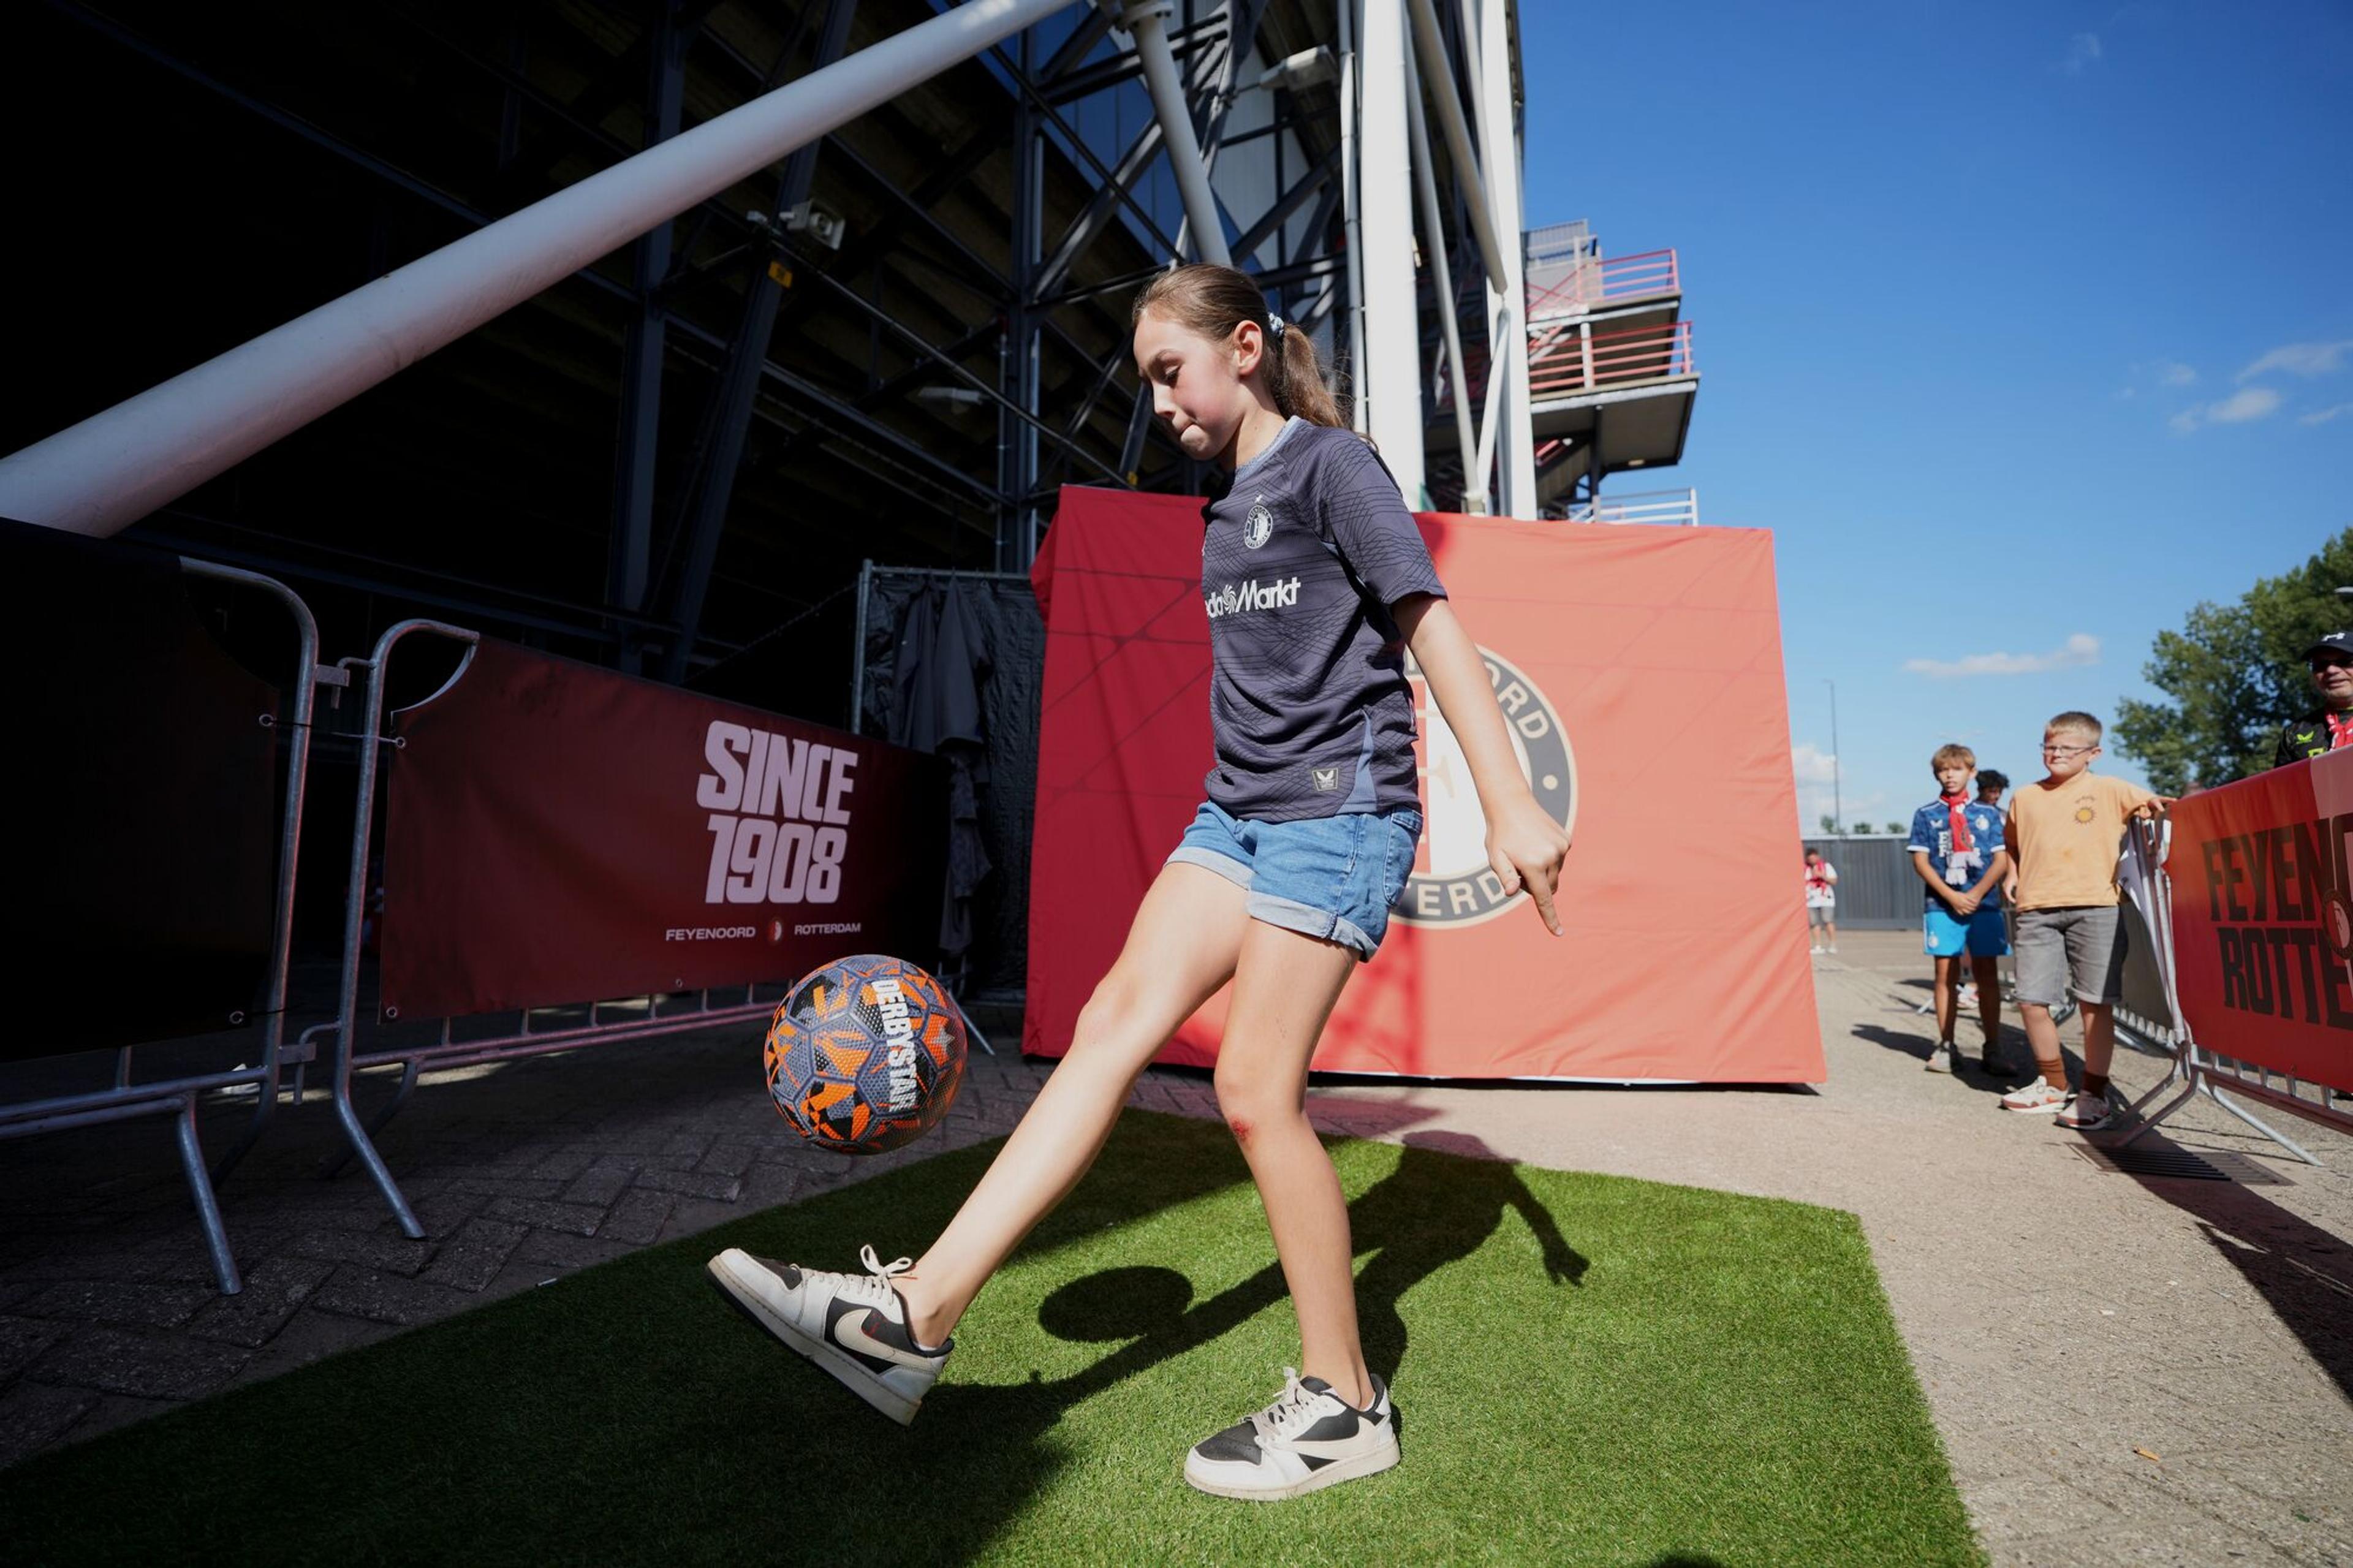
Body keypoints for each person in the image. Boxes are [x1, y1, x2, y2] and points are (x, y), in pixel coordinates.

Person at [707, 263, 1570, 1502]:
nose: (1161, 401)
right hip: (1239, 816)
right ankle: (914, 1316)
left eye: (1173, 371)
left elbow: (1430, 620)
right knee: (1111, 1026)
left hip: (1342, 813)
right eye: (1149, 381)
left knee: (1253, 1090)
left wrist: (1513, 798)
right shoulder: (1222, 511)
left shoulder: (1337, 468)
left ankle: (1347, 1403)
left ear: (1249, 348)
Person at [1997, 712, 2170, 1129]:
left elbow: (2158, 807)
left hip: (2097, 906)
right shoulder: (2025, 795)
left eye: (2065, 748)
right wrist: (2013, 875)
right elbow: (2014, 845)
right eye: (2048, 746)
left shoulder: (2110, 788)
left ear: (2093, 753)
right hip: (2037, 908)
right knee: (2031, 1000)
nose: (2054, 754)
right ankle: (2053, 1083)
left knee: (2096, 1003)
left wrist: (2157, 812)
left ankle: (2094, 1093)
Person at [1905, 744, 2012, 1075]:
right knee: (1944, 974)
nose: (1949, 775)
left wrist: (1977, 894)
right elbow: (1920, 861)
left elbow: (2000, 859)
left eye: (1957, 769)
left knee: (1987, 975)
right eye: (1943, 770)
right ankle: (1946, 1044)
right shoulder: (1926, 814)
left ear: (1971, 772)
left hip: (1984, 903)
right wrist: (1951, 896)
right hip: (1942, 904)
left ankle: (1993, 1047)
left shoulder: (1990, 813)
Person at [2270, 631, 2353, 768]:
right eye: (2320, 665)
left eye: (2345, 662)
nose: (2331, 670)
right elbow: (2283, 788)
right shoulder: (2295, 733)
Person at [1803, 848, 1838, 953]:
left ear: (1818, 856)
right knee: (1814, 923)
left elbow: (1834, 881)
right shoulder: (1805, 869)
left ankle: (1833, 945)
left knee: (1828, 921)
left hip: (1826, 899)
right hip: (1810, 900)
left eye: (1814, 856)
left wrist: (1822, 876)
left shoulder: (1826, 867)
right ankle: (1818, 946)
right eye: (1810, 856)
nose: (1812, 858)